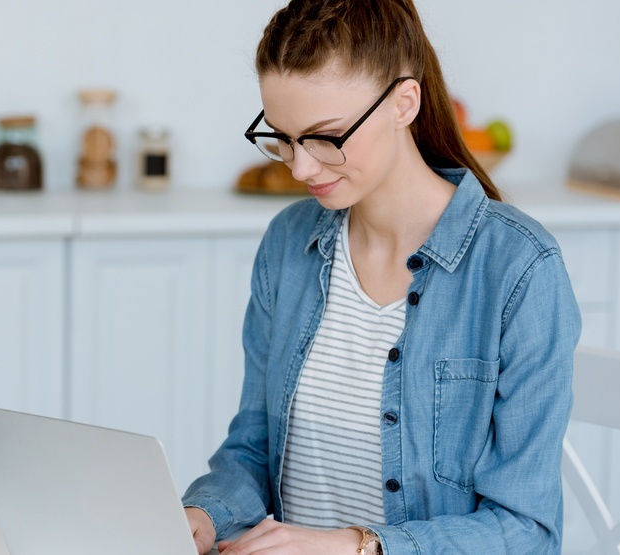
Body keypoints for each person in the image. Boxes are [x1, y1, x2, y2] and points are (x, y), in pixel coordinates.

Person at [180, 1, 581, 554]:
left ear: (404, 103)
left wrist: (356, 546)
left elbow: (527, 531)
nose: (301, 167)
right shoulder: (288, 244)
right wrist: (203, 515)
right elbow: (253, 449)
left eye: (326, 137)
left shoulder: (518, 268)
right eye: (283, 138)